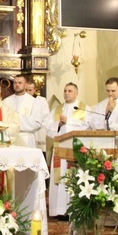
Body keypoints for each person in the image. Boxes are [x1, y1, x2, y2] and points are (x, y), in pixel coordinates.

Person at [46, 83, 91, 217]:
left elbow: (88, 126)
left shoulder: (84, 108)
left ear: (76, 93)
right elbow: (48, 128)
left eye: (70, 91)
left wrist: (69, 121)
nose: (66, 93)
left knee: (73, 176)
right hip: (60, 149)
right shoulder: (57, 109)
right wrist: (58, 124)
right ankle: (59, 210)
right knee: (60, 178)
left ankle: (74, 209)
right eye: (65, 91)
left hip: (75, 149)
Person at [3, 74, 49, 149]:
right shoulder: (6, 101)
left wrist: (15, 119)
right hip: (9, 139)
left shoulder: (34, 102)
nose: (17, 85)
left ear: (26, 84)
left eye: (20, 83)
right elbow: (3, 122)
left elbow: (36, 123)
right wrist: (24, 120)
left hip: (27, 139)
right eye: (15, 83)